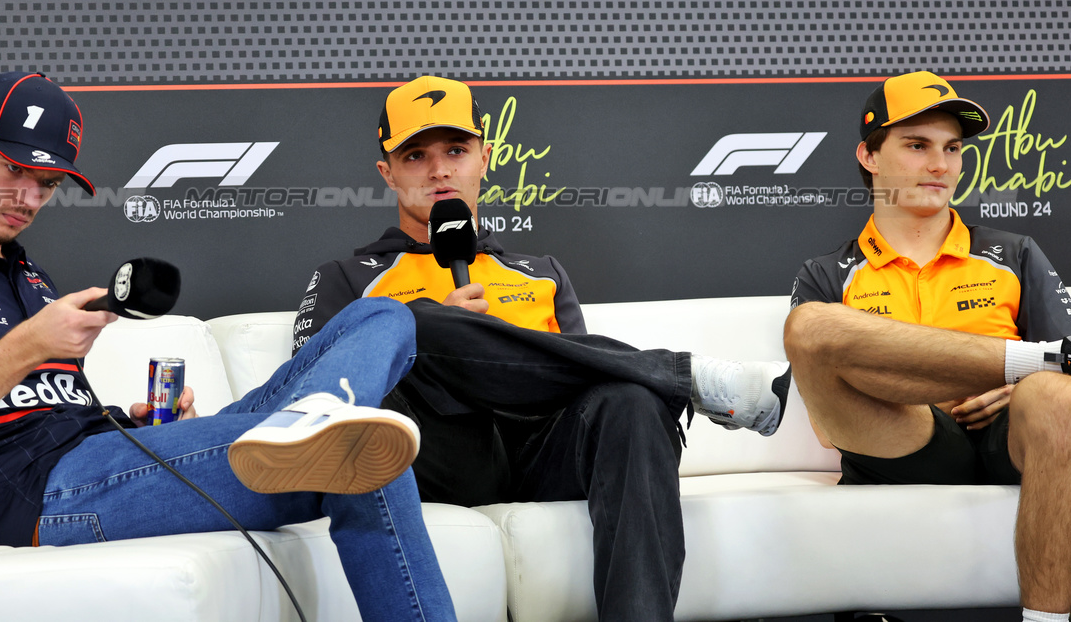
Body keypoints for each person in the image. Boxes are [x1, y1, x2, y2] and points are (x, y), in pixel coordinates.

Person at [0, 71, 459, 622]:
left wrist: (143, 426)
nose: (29, 198)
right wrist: (26, 345)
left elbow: (56, 413)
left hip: (102, 455)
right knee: (364, 452)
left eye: (46, 182)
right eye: (14, 169)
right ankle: (321, 425)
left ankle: (314, 416)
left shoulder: (24, 273)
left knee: (383, 315)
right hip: (45, 495)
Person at [294, 75, 792, 622]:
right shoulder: (347, 276)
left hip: (539, 450)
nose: (439, 170)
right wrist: (432, 328)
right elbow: (314, 393)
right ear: (387, 173)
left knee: (630, 401)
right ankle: (682, 376)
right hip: (433, 454)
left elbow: (588, 391)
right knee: (403, 324)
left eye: (456, 150)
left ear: (484, 159)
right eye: (416, 156)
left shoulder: (541, 273)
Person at [783, 69, 1071, 622]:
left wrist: (1024, 387)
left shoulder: (1014, 252)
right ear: (869, 156)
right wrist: (996, 372)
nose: (941, 166)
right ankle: (1027, 363)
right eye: (917, 145)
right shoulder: (827, 273)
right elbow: (828, 425)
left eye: (952, 148)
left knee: (1060, 392)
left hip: (1010, 439)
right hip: (899, 438)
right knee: (810, 327)